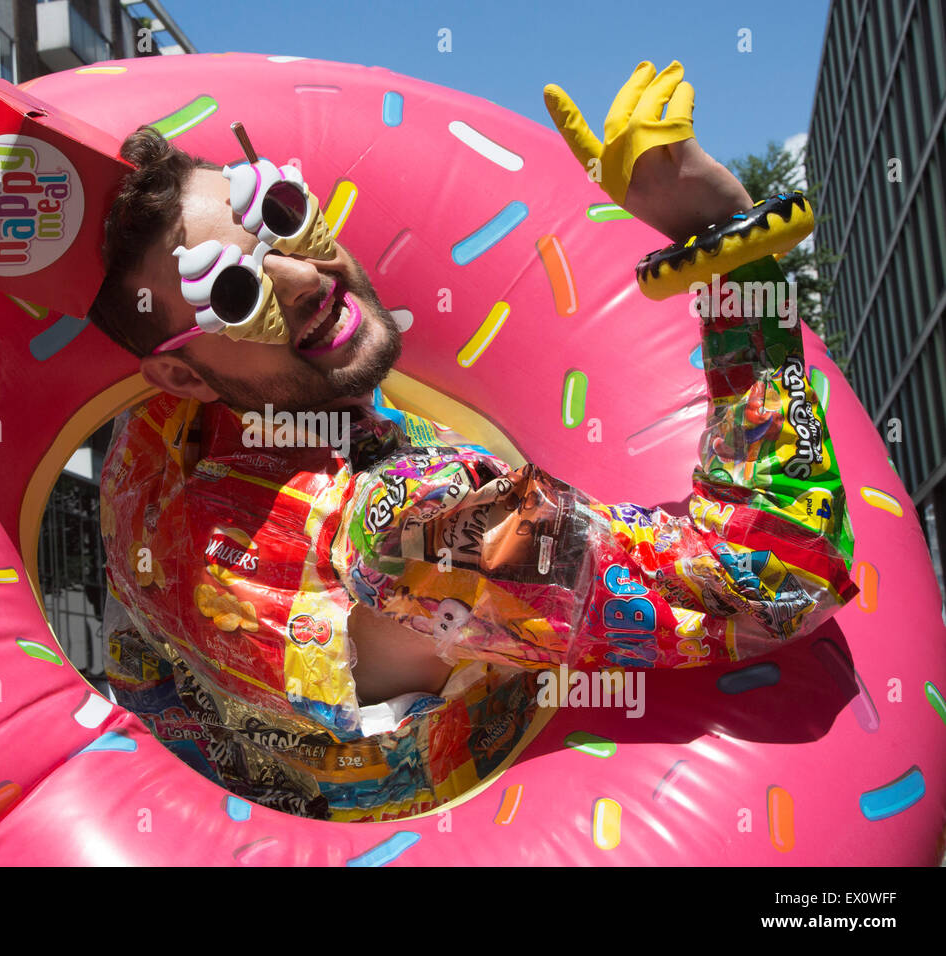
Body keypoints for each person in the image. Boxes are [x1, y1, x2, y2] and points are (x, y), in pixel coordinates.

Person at [87, 61, 858, 821]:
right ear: (180, 376)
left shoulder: (148, 445)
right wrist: (730, 251)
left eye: (280, 215)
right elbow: (782, 577)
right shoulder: (425, 525)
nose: (302, 277)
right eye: (235, 293)